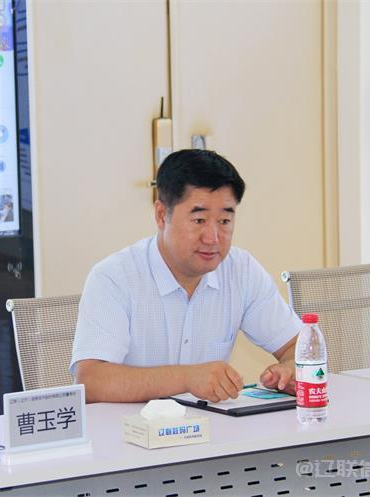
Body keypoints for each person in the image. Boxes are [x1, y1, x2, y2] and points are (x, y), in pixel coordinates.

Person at [71, 149, 302, 403]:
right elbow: (91, 381)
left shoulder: (241, 270)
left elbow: (301, 346)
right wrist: (187, 378)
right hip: (129, 426)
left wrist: (292, 369)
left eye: (224, 221)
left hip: (213, 426)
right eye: (199, 220)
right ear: (162, 215)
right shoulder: (114, 277)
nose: (212, 238)